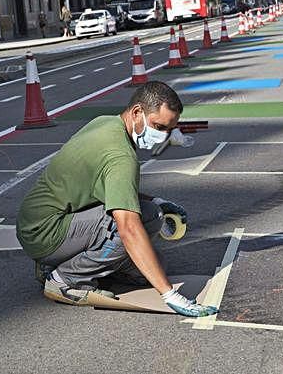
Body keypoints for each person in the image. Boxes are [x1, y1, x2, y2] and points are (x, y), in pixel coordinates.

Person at [16, 81, 218, 317]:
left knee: (152, 213)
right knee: (131, 224)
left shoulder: (106, 123)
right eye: (158, 126)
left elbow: (107, 186)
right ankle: (65, 279)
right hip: (44, 233)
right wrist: (169, 294)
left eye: (169, 130)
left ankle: (70, 264)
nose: (163, 136)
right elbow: (128, 228)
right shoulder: (121, 156)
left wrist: (158, 200)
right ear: (137, 112)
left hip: (38, 223)